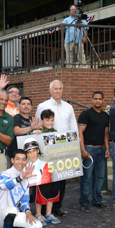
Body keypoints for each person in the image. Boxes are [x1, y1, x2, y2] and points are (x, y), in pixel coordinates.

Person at [35, 80, 78, 216]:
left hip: (64, 148)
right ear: (50, 90)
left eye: (60, 88)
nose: (58, 91)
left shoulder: (68, 107)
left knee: (61, 179)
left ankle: (56, 207)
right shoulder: (42, 106)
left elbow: (73, 126)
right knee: (46, 179)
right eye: (55, 89)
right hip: (47, 149)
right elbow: (37, 125)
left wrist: (75, 145)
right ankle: (42, 209)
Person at [78, 91, 110, 212]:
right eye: (95, 98)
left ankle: (97, 200)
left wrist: (107, 148)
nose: (97, 101)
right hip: (89, 149)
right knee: (87, 178)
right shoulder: (86, 114)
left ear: (103, 100)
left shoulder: (105, 116)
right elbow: (80, 132)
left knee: (100, 177)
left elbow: (106, 133)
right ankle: (84, 202)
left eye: (100, 99)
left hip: (101, 149)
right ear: (92, 100)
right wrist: (83, 150)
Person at [30, 111, 62, 226]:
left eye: (52, 120)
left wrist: (73, 141)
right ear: (42, 121)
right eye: (47, 120)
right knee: (40, 192)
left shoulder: (56, 133)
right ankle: (38, 214)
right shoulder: (38, 132)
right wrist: (35, 134)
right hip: (41, 170)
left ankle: (48, 214)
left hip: (53, 168)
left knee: (52, 192)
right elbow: (30, 143)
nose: (50, 122)